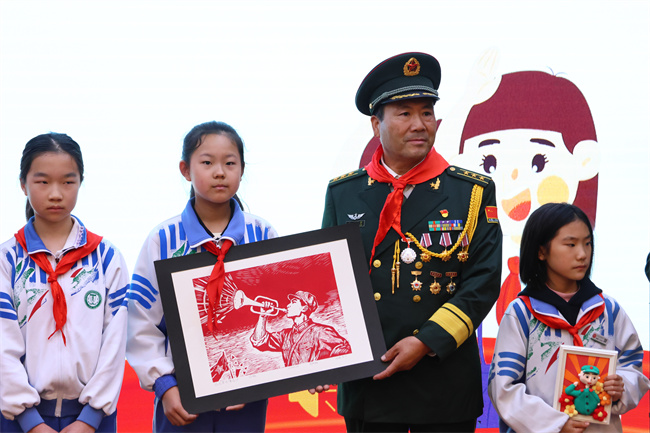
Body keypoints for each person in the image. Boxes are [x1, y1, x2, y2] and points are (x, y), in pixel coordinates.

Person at [321, 52, 502, 432]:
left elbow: (482, 282)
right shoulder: (344, 193)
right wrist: (322, 358)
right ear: (376, 124)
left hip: (443, 382)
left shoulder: (471, 192)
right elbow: (330, 284)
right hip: (369, 384)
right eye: (404, 114)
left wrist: (426, 342)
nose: (419, 124)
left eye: (427, 112)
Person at [126, 121, 278, 432]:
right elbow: (140, 322)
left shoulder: (262, 234)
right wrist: (165, 386)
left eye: (230, 163)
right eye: (207, 163)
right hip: (181, 399)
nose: (219, 172)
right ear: (185, 170)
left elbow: (277, 311)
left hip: (247, 400)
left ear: (242, 170)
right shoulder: (163, 240)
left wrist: (259, 377)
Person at [0, 133, 129, 433]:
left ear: (81, 182)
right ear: (23, 184)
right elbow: (2, 345)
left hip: (92, 421)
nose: (56, 194)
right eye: (43, 182)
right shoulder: (7, 260)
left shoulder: (106, 258)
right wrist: (30, 421)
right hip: (19, 421)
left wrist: (90, 419)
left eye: (68, 182)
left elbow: (115, 342)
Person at [488, 202, 650, 433]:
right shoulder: (521, 313)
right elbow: (504, 388)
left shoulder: (608, 309)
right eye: (571, 244)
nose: (582, 254)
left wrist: (621, 387)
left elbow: (633, 365)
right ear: (541, 251)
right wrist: (555, 423)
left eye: (587, 243)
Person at [250, 290, 351, 366]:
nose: (288, 305)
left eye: (293, 302)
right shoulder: (285, 335)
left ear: (304, 308)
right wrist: (263, 316)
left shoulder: (321, 331)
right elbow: (259, 341)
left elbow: (345, 353)